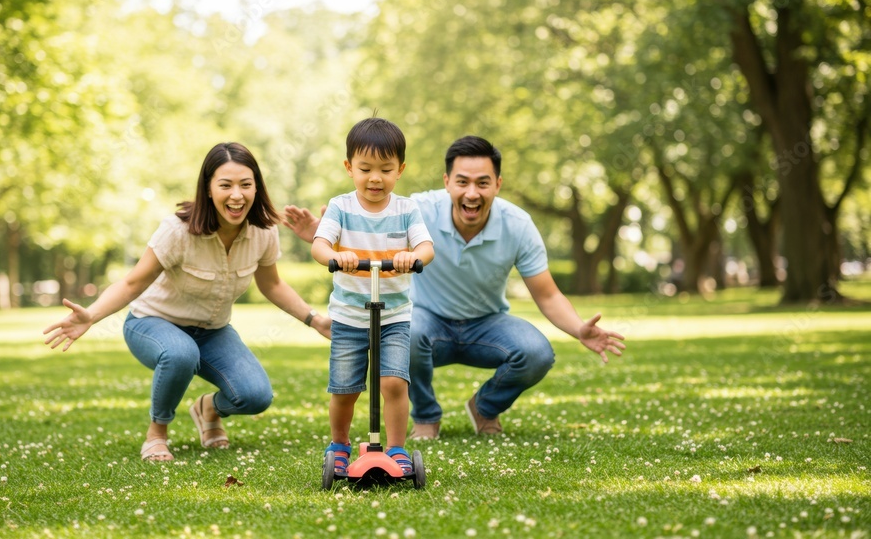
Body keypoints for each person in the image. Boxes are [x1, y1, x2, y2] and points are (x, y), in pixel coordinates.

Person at [285, 135, 625, 440]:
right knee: (405, 329)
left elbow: (547, 294)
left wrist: (578, 328)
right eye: (462, 181)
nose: (471, 193)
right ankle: (426, 417)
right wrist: (329, 238)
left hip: (487, 324)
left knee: (537, 353)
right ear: (447, 182)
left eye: (483, 183)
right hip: (426, 322)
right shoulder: (417, 209)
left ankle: (484, 407)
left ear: (498, 185)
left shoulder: (518, 225)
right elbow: (371, 217)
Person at [43, 142, 332, 462]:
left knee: (255, 396)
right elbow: (132, 282)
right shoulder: (178, 231)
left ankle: (208, 409)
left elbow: (272, 284)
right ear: (208, 189)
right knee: (181, 353)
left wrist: (315, 319)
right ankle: (156, 434)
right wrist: (92, 315)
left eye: (245, 185)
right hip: (152, 323)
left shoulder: (262, 232)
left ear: (256, 188)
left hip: (212, 331)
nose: (237, 195)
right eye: (226, 185)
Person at [311, 117, 435, 475]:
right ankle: (339, 444)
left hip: (393, 316)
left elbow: (426, 247)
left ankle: (396, 448)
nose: (375, 178)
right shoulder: (340, 207)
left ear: (400, 170)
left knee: (394, 382)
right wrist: (337, 256)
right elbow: (320, 245)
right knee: (344, 388)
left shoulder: (406, 209)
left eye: (386, 169)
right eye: (365, 169)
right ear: (349, 167)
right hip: (349, 316)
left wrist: (412, 256)